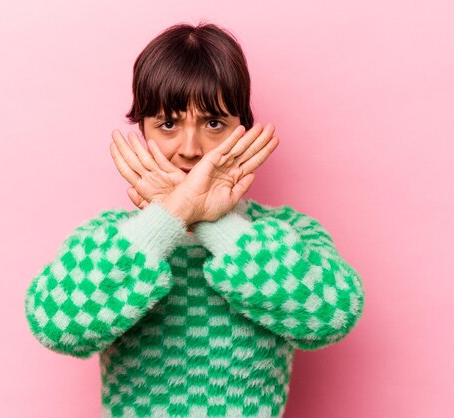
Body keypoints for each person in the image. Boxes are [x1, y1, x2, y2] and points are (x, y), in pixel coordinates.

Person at [24, 21, 365, 418]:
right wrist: (168, 218)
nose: (190, 148)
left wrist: (211, 221)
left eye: (214, 123)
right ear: (143, 131)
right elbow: (54, 324)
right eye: (168, 124)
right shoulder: (107, 237)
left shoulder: (292, 233)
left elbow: (334, 314)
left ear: (243, 127)